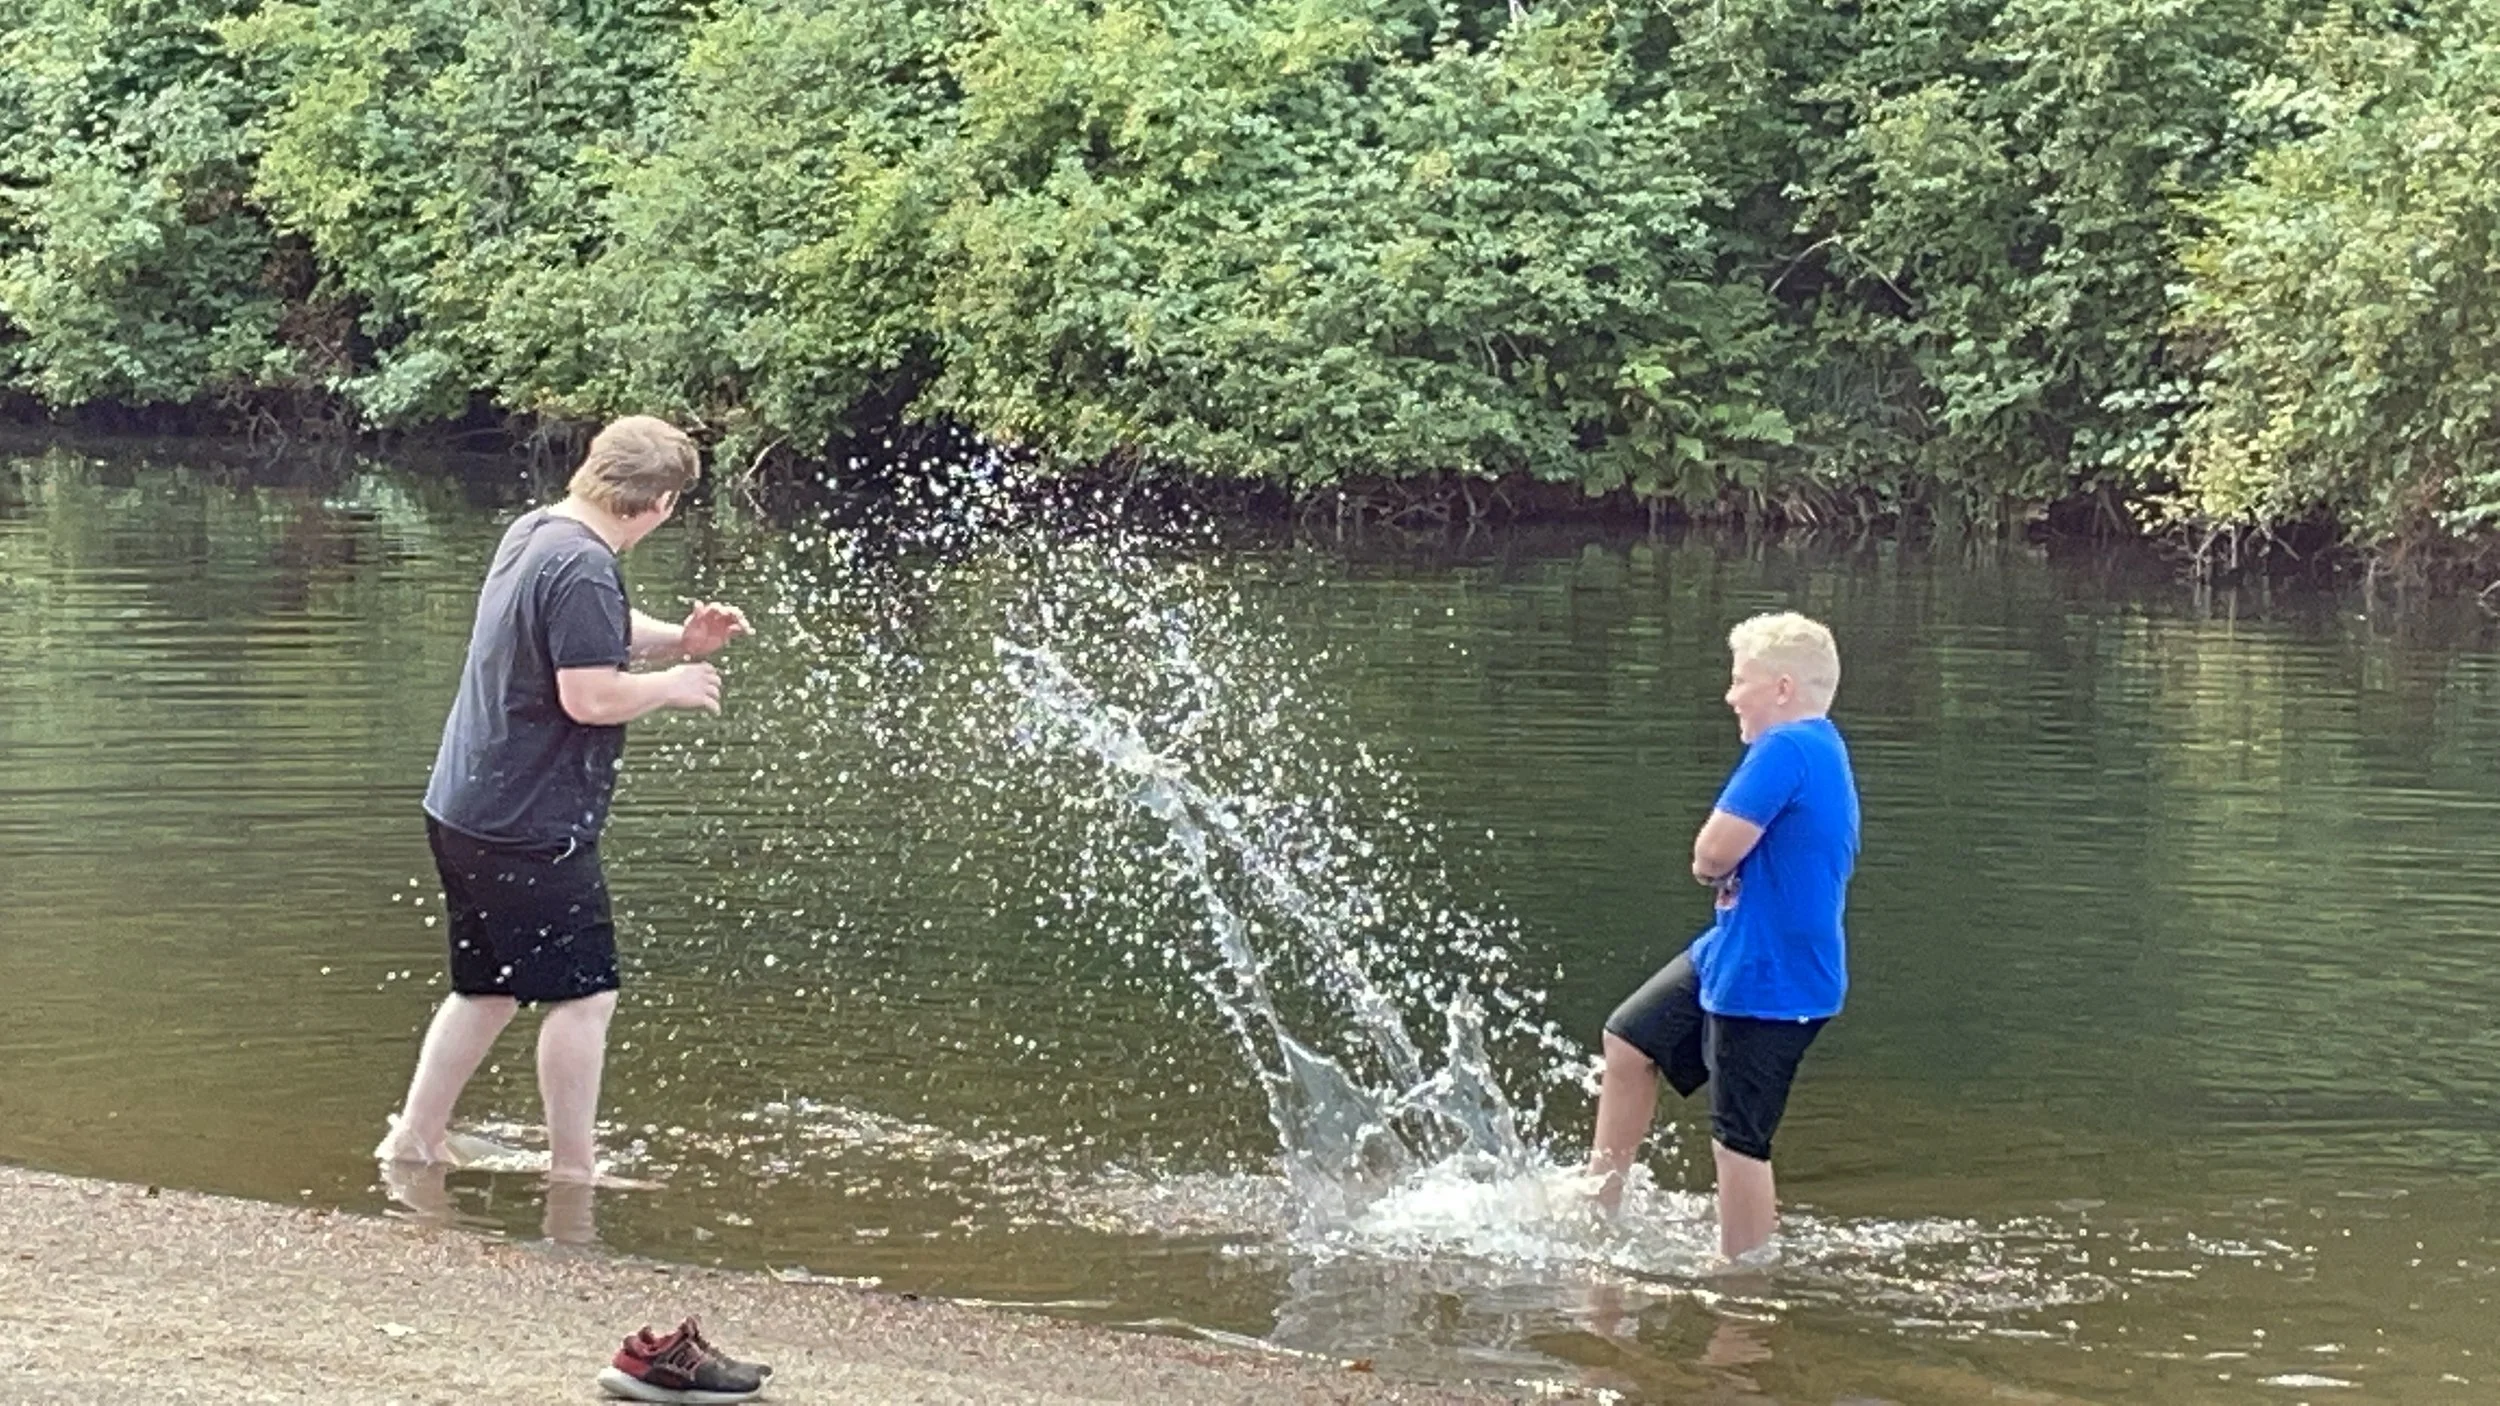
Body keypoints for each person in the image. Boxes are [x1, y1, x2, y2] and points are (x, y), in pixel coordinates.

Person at [373, 415, 751, 1185]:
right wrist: (671, 686)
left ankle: (416, 1138)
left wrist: (680, 638)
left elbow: (592, 632)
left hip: (466, 808)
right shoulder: (583, 565)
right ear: (661, 504)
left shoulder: (539, 532)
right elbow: (588, 695)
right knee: (585, 997)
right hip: (530, 825)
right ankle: (573, 1171)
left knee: (487, 989)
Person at [1588, 610, 1859, 1262]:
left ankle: (1740, 1282)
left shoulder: (1786, 747)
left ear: (1784, 688)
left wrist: (1718, 867)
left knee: (1739, 1140)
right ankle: (1599, 1201)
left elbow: (1711, 853)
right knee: (1629, 1040)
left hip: (1772, 976)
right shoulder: (1820, 747)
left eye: (1742, 681)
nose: (1730, 695)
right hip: (1736, 954)